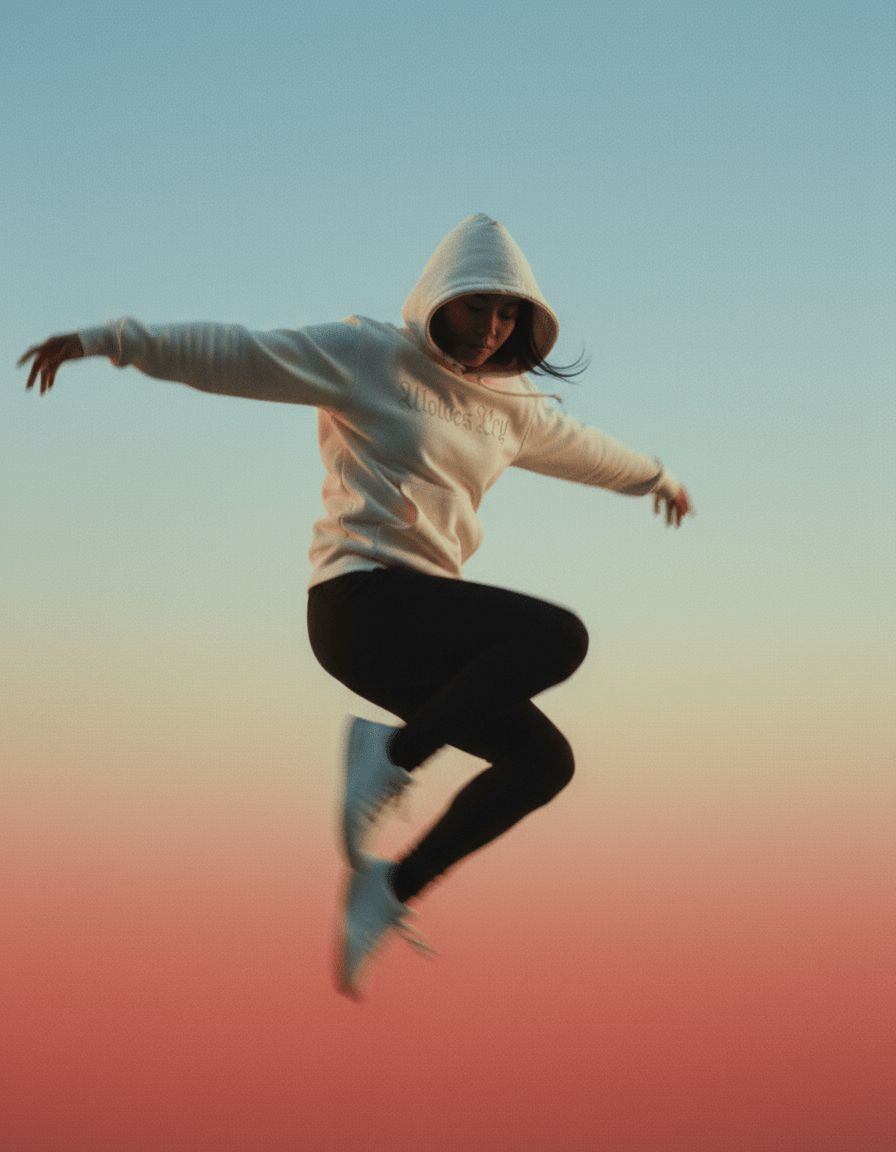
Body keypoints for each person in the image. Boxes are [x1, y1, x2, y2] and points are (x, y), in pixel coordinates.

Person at [19, 213, 692, 997]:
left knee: (543, 763)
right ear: (441, 297)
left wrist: (655, 477)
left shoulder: (512, 407)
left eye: (508, 315)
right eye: (477, 307)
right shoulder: (371, 354)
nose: (490, 328)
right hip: (359, 603)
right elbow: (242, 353)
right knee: (560, 638)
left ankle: (387, 891)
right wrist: (111, 340)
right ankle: (392, 759)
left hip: (426, 629)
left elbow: (583, 446)